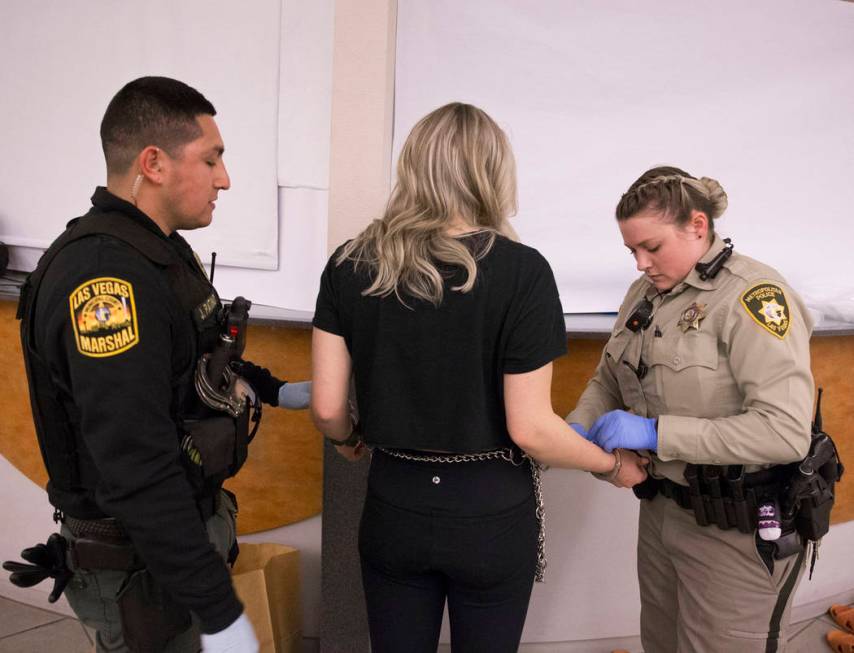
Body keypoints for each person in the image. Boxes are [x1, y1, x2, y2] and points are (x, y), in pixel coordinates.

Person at [310, 102, 649, 653]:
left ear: (413, 168)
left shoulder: (350, 263)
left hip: (393, 503)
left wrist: (349, 441)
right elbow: (532, 429)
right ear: (493, 174)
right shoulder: (524, 271)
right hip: (490, 513)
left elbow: (326, 408)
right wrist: (612, 466)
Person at [12, 76, 301, 652]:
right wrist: (219, 611)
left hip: (174, 546)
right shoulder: (105, 280)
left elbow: (200, 355)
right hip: (141, 564)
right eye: (212, 159)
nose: (225, 178)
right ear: (154, 163)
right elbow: (135, 463)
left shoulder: (159, 250)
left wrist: (276, 389)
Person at [568, 165, 815, 652]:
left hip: (735, 530)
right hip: (662, 513)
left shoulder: (753, 297)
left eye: (652, 248)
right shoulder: (645, 294)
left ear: (697, 226)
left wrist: (656, 433)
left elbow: (785, 433)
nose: (640, 263)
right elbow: (607, 378)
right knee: (660, 642)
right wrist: (577, 430)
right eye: (631, 250)